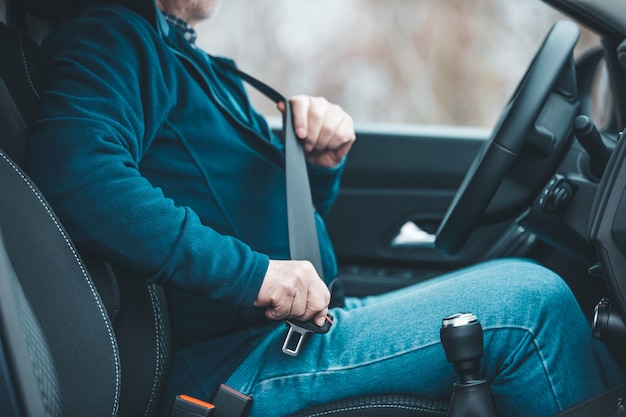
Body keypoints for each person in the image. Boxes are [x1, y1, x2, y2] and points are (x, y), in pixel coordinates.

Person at [27, 0, 624, 416]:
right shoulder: (112, 36)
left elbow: (239, 207)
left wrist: (318, 166)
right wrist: (256, 276)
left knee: (555, 313)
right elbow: (80, 174)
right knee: (530, 306)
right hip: (228, 365)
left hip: (295, 327)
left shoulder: (203, 67)